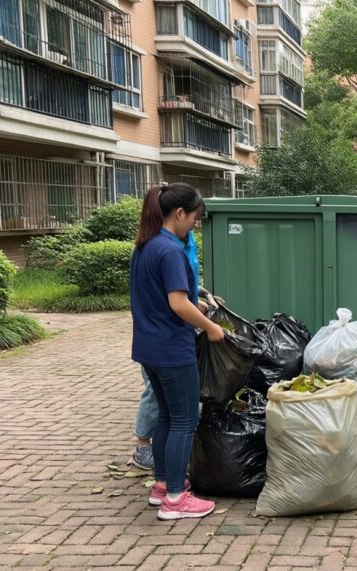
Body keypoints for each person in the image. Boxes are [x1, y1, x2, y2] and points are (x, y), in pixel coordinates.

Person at [130, 182, 225, 520]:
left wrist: (194, 306)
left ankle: (162, 486)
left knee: (167, 417)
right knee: (185, 420)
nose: (194, 226)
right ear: (180, 213)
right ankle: (175, 498)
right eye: (194, 219)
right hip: (172, 348)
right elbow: (177, 303)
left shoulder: (144, 246)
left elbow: (162, 297)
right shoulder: (170, 250)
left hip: (148, 347)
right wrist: (210, 327)